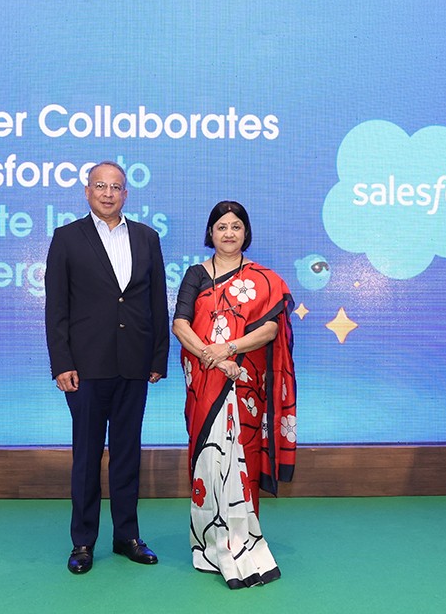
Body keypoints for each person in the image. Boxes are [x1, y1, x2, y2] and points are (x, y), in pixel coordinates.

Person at [45, 160, 169, 575]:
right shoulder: (66, 238)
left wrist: (157, 356)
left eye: (115, 187)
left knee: (127, 454)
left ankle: (126, 536)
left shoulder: (147, 237)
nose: (108, 193)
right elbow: (56, 308)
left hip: (135, 363)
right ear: (87, 191)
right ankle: (82, 542)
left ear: (126, 194)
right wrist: (61, 362)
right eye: (100, 185)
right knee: (86, 456)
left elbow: (156, 301)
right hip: (85, 367)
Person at [172, 201, 296, 589]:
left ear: (246, 233)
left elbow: (270, 330)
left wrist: (228, 350)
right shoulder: (195, 275)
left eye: (236, 226)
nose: (228, 233)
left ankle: (243, 540)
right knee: (210, 461)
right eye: (221, 226)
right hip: (205, 379)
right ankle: (209, 545)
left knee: (243, 456)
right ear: (210, 233)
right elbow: (180, 325)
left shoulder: (264, 280)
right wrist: (211, 356)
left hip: (245, 381)